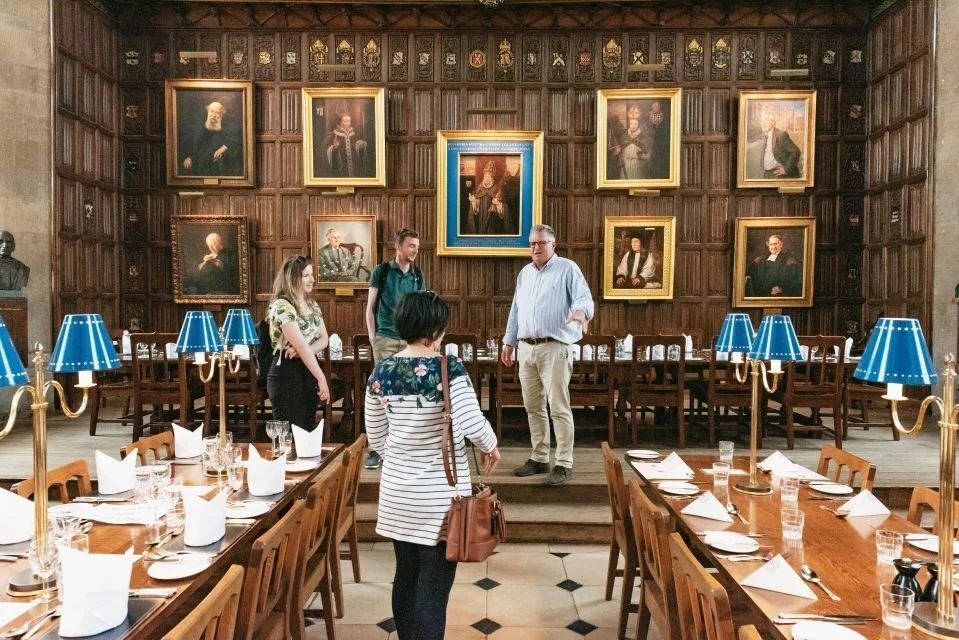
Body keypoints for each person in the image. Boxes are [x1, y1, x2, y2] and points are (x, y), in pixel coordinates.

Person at [365, 291, 500, 640]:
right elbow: (471, 422)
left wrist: (403, 454)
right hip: (438, 500)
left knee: (405, 578)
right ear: (433, 332)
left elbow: (376, 437)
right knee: (434, 592)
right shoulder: (448, 368)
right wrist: (491, 446)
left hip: (396, 495)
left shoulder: (381, 372)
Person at [501, 224, 594, 487]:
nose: (535, 248)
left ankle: (564, 463)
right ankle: (540, 457)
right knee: (533, 406)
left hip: (555, 347)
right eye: (532, 244)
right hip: (526, 348)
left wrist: (580, 314)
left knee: (558, 407)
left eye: (541, 243)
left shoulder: (567, 268)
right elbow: (516, 311)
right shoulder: (525, 274)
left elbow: (584, 299)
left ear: (553, 244)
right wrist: (509, 342)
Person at [364, 228, 425, 468]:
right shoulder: (381, 271)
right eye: (411, 246)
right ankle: (376, 449)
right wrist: (373, 337)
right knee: (383, 393)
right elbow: (370, 306)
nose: (415, 251)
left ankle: (404, 446)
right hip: (386, 337)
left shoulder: (418, 275)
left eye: (417, 247)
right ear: (398, 247)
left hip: (410, 340)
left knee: (409, 393)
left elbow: (421, 309)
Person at [265, 255, 331, 433]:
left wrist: (305, 351)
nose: (312, 279)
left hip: (306, 369)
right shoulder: (282, 305)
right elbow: (300, 346)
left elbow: (324, 339)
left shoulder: (312, 304)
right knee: (289, 433)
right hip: (286, 372)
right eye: (306, 275)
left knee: (307, 429)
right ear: (294, 278)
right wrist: (322, 378)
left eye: (312, 274)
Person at [181, 100, 243, 177]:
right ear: (208, 112)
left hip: (218, 163)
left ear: (222, 115)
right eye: (212, 111)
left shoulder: (228, 126)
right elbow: (190, 142)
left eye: (217, 113)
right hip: (198, 161)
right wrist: (188, 156)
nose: (213, 115)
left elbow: (235, 140)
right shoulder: (199, 125)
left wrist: (224, 147)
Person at [752, 109, 802, 179]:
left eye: (766, 120)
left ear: (773, 122)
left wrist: (786, 169)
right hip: (767, 174)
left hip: (779, 175)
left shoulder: (781, 135)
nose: (763, 123)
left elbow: (796, 151)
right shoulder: (767, 135)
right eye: (762, 121)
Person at [464, 160, 510, 235]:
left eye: (488, 176)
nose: (486, 178)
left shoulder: (497, 188)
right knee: (481, 230)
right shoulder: (479, 187)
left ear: (492, 178)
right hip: (481, 216)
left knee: (490, 231)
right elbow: (476, 201)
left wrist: (498, 204)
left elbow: (503, 206)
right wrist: (473, 201)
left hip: (493, 218)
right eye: (485, 176)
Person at [324, 113, 370, 178]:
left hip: (354, 162)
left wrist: (360, 144)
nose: (348, 123)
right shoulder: (334, 134)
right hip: (341, 163)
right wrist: (334, 148)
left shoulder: (353, 132)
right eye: (345, 121)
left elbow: (356, 143)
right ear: (341, 122)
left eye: (349, 121)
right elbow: (325, 148)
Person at [646, 100, 671, 179]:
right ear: (651, 107)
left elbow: (667, 130)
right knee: (652, 163)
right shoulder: (647, 117)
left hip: (662, 145)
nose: (656, 108)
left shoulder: (664, 117)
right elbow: (646, 130)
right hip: (651, 144)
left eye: (657, 106)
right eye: (654, 106)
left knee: (661, 163)